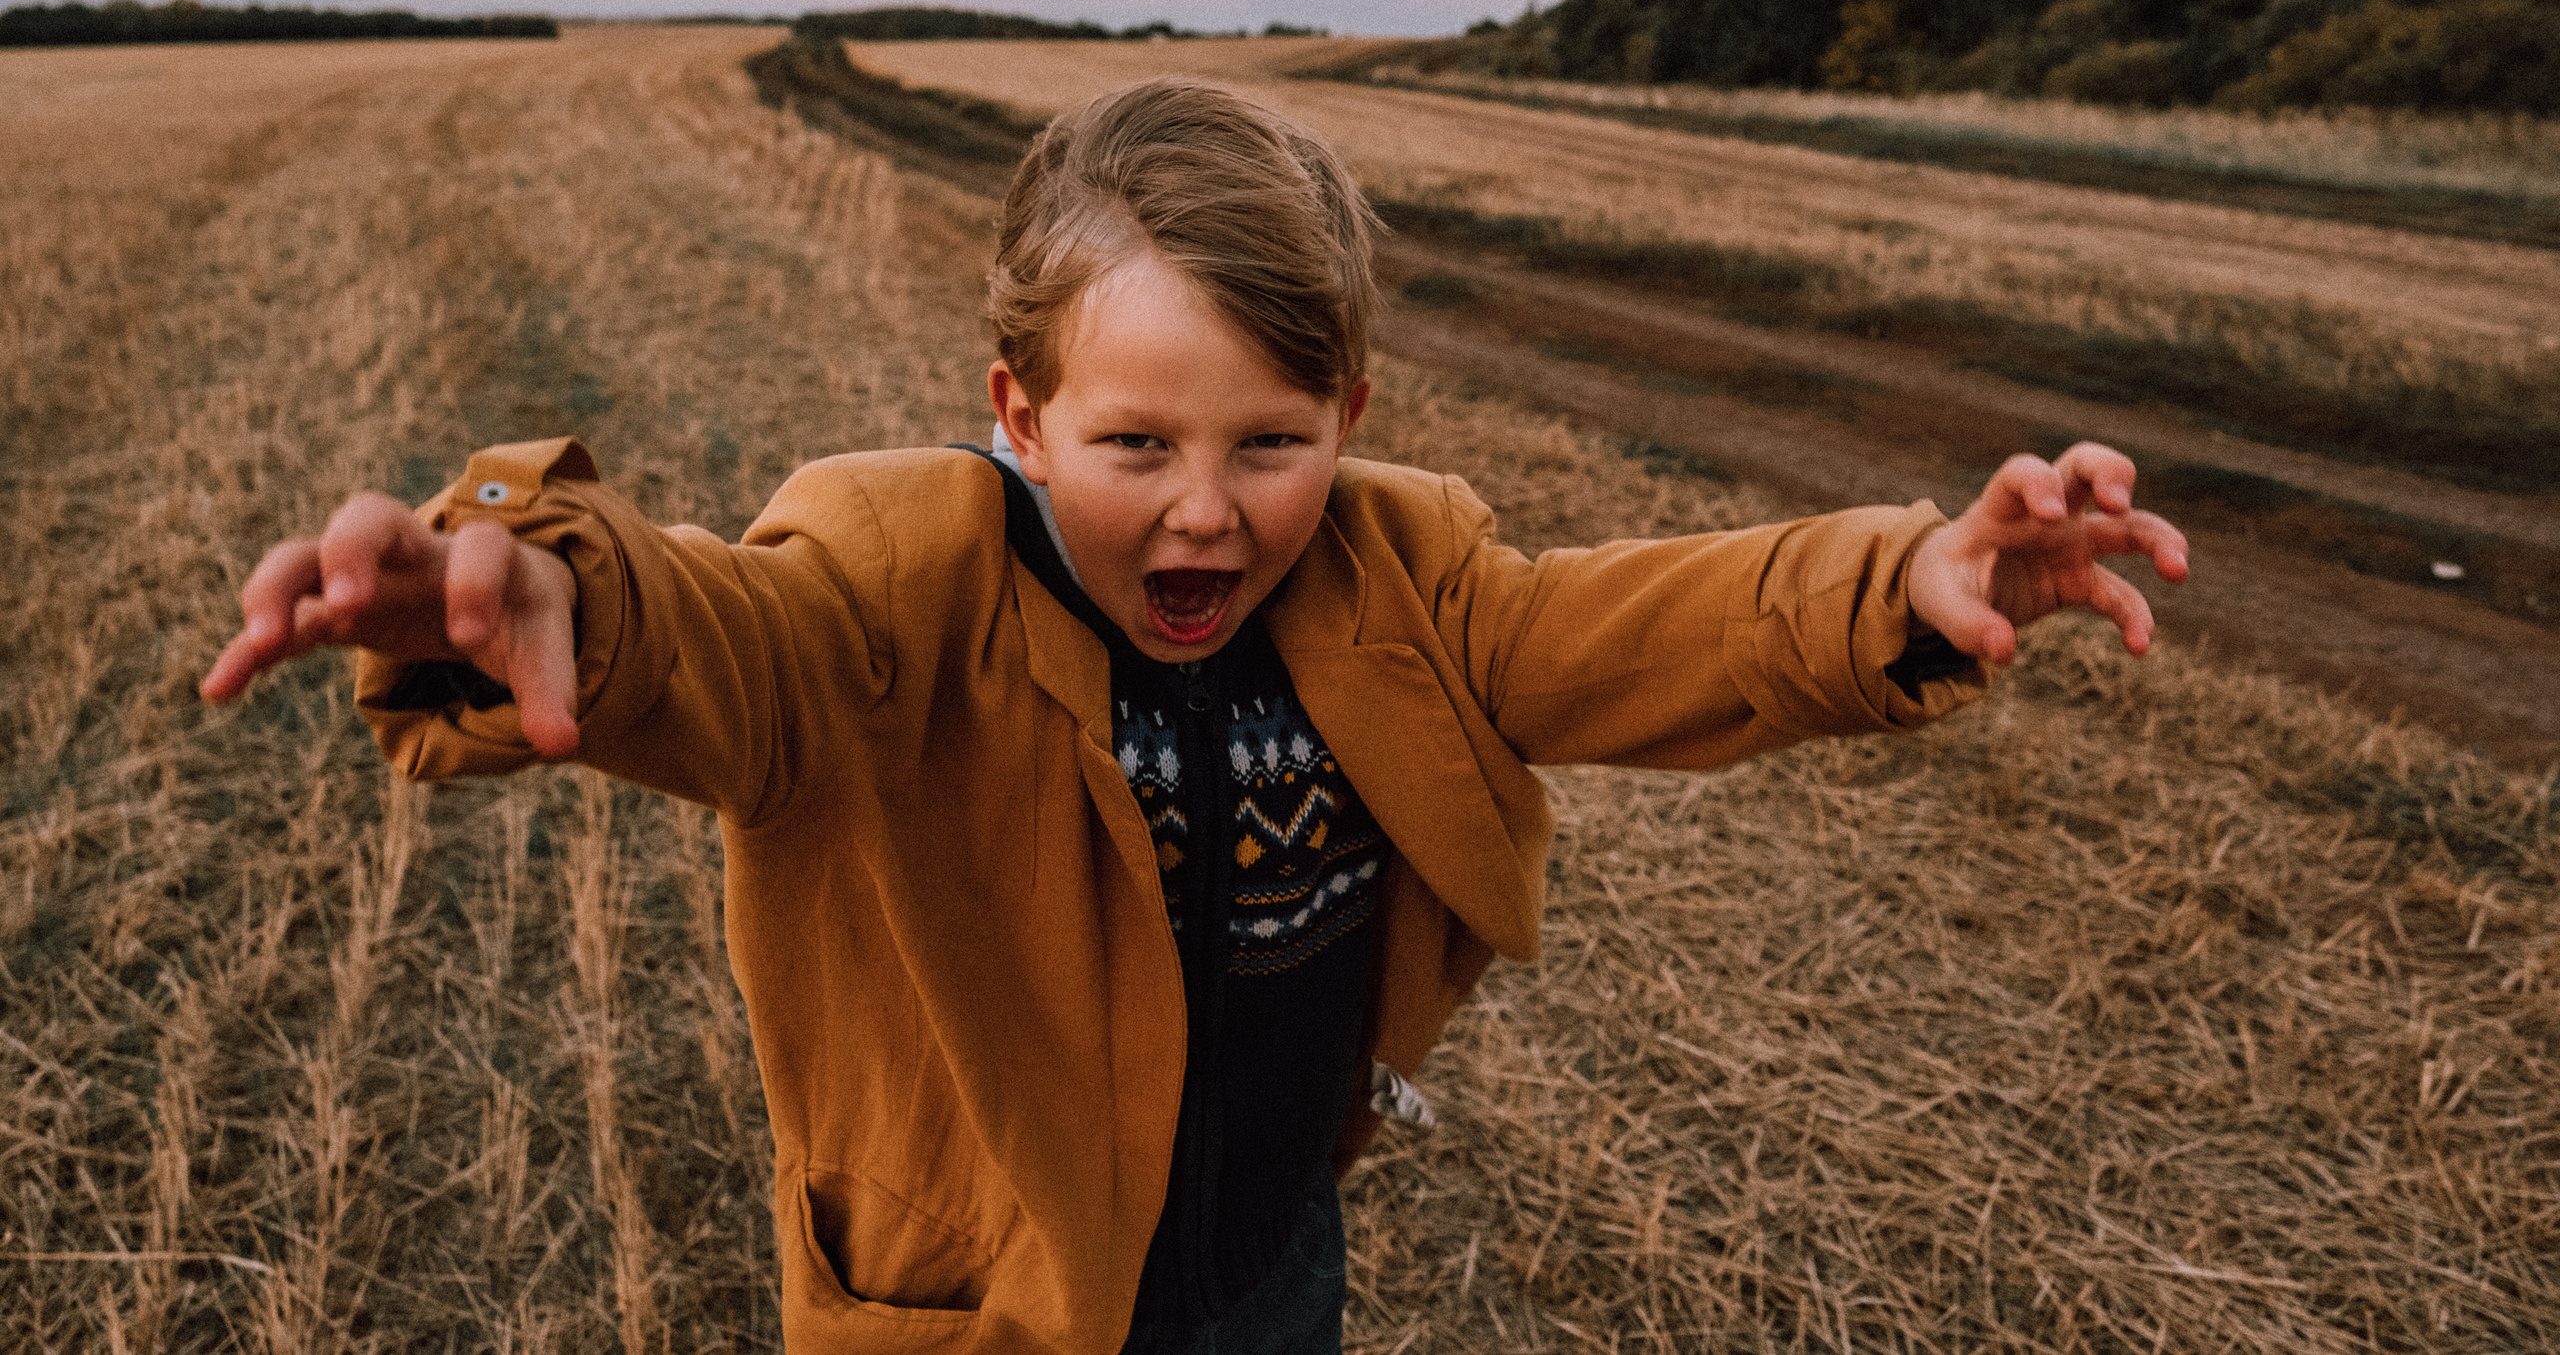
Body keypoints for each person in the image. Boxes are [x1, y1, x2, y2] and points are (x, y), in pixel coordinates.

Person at [200, 75, 2188, 1355]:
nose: (1206, 510)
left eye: (1269, 442)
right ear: (1017, 411)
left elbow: (1637, 623)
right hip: (985, 1293)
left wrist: (1902, 579)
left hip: (1264, 1253)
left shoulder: (1404, 574)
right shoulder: (895, 582)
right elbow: (722, 629)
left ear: (1349, 416)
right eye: (1135, 442)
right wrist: (543, 571)